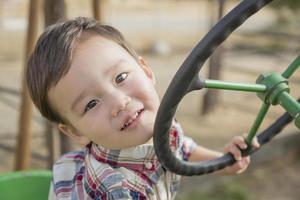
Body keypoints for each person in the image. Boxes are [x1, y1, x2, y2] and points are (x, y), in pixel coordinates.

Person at [26, 17, 259, 200]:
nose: (119, 102)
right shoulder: (114, 190)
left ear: (146, 71)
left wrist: (223, 161)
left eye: (121, 77)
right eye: (91, 104)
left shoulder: (162, 123)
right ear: (77, 132)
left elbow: (182, 150)